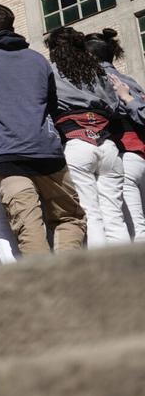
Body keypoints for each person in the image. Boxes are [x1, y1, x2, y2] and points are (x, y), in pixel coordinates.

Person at [0, 4, 86, 255]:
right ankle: (68, 272)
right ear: (13, 27)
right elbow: (52, 105)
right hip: (47, 153)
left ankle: (47, 285)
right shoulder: (38, 60)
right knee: (69, 218)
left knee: (28, 228)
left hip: (5, 156)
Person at [45, 26, 138, 247]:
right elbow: (114, 106)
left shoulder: (50, 72)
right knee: (114, 215)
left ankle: (104, 275)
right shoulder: (97, 70)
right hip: (106, 144)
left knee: (91, 213)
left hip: (75, 143)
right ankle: (129, 272)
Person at [85, 28, 145, 240]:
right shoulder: (130, 81)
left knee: (134, 230)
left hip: (124, 156)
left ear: (89, 56)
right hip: (140, 155)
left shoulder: (94, 81)